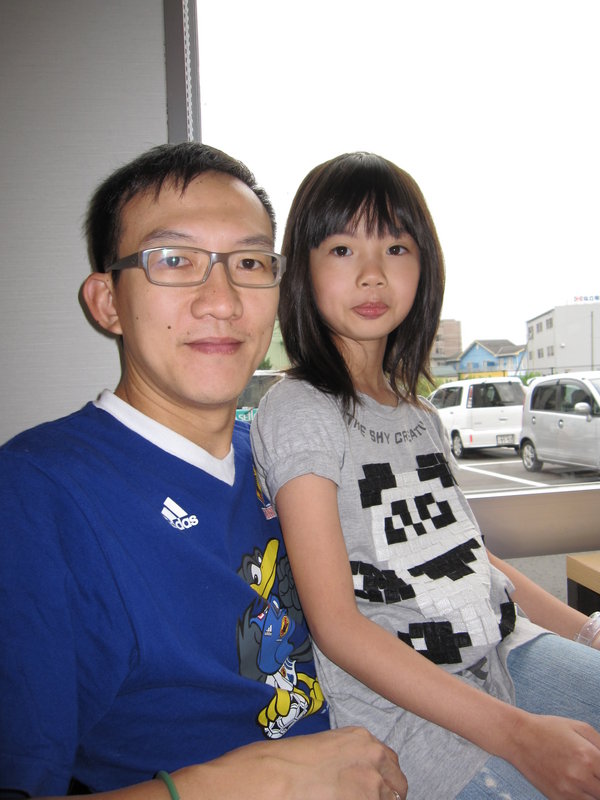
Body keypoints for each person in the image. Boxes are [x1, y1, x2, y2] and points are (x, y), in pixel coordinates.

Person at [0, 142, 408, 800]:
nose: (222, 301)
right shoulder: (36, 493)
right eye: (174, 260)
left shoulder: (281, 452)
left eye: (249, 263)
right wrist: (258, 781)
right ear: (107, 302)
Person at [250, 151, 600, 800]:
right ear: (302, 268)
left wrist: (586, 631)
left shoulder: (420, 414)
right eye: (342, 249)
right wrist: (520, 736)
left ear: (425, 267)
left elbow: (470, 561)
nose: (373, 273)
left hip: (509, 649)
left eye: (396, 248)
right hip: (413, 716)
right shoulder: (300, 409)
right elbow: (337, 626)